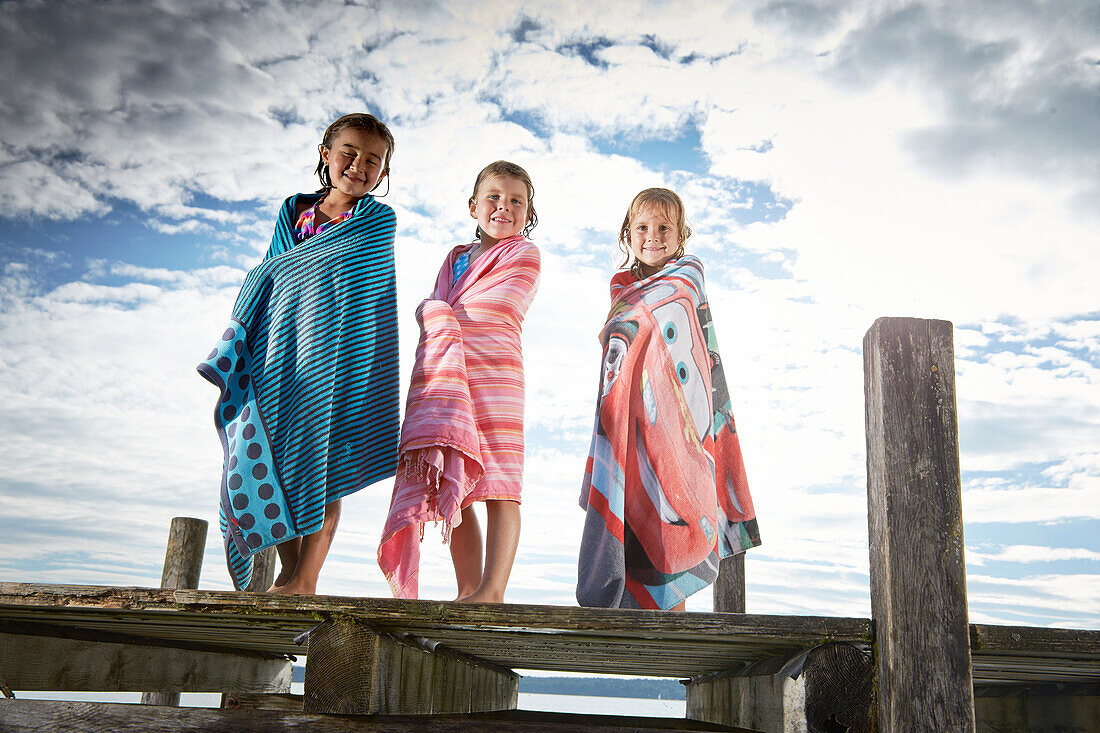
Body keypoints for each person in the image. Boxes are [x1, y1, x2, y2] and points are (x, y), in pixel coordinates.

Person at [198, 113, 400, 594]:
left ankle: (306, 577)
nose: (359, 165)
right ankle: (289, 575)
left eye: (373, 161)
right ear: (327, 154)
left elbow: (363, 289)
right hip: (283, 355)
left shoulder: (376, 220)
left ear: (383, 174)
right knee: (281, 463)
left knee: (326, 464)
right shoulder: (293, 211)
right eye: (349, 152)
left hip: (343, 357)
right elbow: (274, 274)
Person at [576, 187, 761, 611]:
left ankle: (675, 624)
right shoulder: (621, 287)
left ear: (681, 235)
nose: (653, 236)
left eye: (664, 227)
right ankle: (642, 622)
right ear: (628, 234)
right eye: (642, 227)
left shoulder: (687, 276)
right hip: (632, 423)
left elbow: (679, 338)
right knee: (638, 521)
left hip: (682, 425)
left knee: (676, 516)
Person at [379, 160, 541, 603]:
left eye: (516, 201)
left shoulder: (524, 254)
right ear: (473, 205)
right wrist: (433, 312)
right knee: (457, 474)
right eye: (493, 197)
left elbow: (498, 306)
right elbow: (438, 304)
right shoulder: (454, 258)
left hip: (497, 375)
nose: (503, 207)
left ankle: (493, 590)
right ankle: (467, 588)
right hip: (448, 378)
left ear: (527, 214)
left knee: (502, 483)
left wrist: (437, 312)